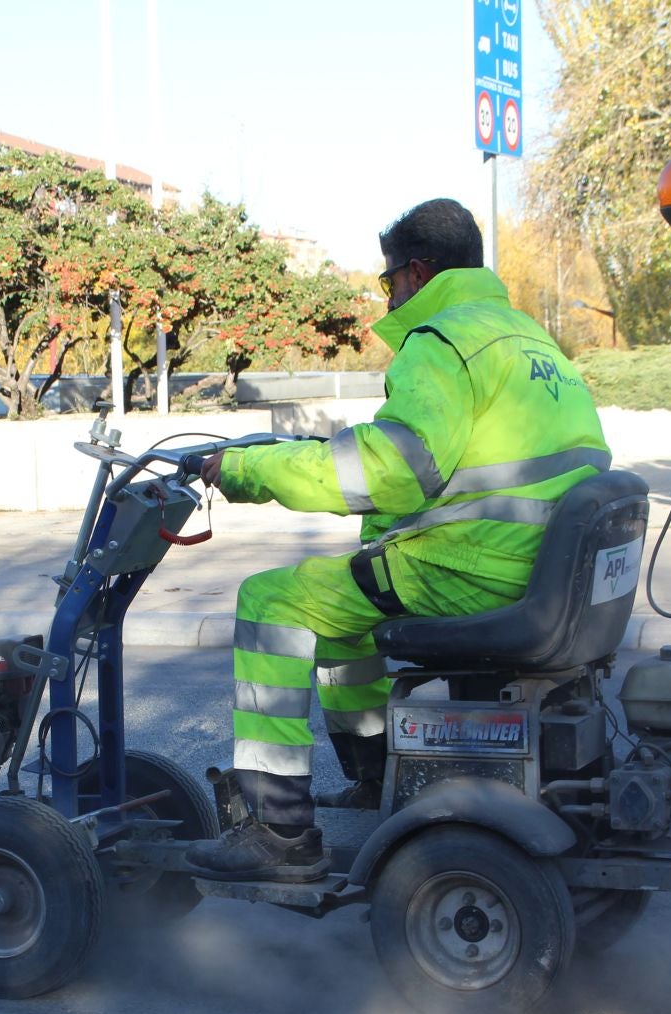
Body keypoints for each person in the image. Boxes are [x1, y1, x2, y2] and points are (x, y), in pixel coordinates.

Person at [188, 197, 610, 883]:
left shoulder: (441, 341)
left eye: (389, 282)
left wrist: (250, 468)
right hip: (537, 569)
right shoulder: (526, 339)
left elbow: (391, 469)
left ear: (416, 272)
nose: (390, 296)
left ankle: (276, 830)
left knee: (271, 602)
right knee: (344, 614)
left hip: (468, 569)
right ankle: (375, 779)